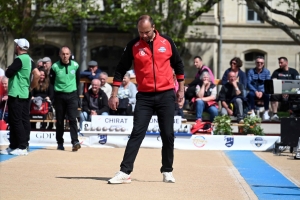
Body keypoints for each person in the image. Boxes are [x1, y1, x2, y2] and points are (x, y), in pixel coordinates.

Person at [107, 15, 184, 184]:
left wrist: (181, 91)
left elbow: (179, 65)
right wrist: (114, 94)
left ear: (154, 27)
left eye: (147, 32)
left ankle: (167, 171)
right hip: (144, 96)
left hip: (166, 94)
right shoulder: (133, 46)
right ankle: (124, 172)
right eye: (140, 32)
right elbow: (120, 70)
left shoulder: (167, 42)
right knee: (137, 133)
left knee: (168, 134)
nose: (143, 35)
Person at [0, 38, 40, 156]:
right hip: (25, 93)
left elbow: (7, 73)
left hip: (16, 93)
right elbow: (37, 74)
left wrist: (8, 70)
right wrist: (31, 87)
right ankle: (18, 145)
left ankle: (21, 146)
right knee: (23, 120)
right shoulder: (29, 59)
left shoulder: (19, 59)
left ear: (18, 47)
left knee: (15, 121)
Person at [49, 46, 81, 152]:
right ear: (59, 54)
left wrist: (77, 95)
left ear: (70, 54)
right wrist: (52, 97)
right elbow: (51, 83)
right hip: (59, 96)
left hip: (72, 95)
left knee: (72, 119)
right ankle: (60, 143)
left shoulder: (75, 65)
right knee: (60, 121)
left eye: (67, 54)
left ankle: (75, 142)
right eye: (63, 54)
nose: (65, 56)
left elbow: (77, 81)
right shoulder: (54, 67)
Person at [270, 57, 299, 121]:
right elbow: (274, 83)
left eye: (281, 63)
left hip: (292, 92)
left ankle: (294, 113)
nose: (280, 64)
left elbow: (297, 84)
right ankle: (275, 114)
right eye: (279, 63)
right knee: (274, 95)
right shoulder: (276, 72)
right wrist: (283, 91)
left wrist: (288, 92)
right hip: (280, 92)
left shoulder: (294, 72)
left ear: (286, 63)